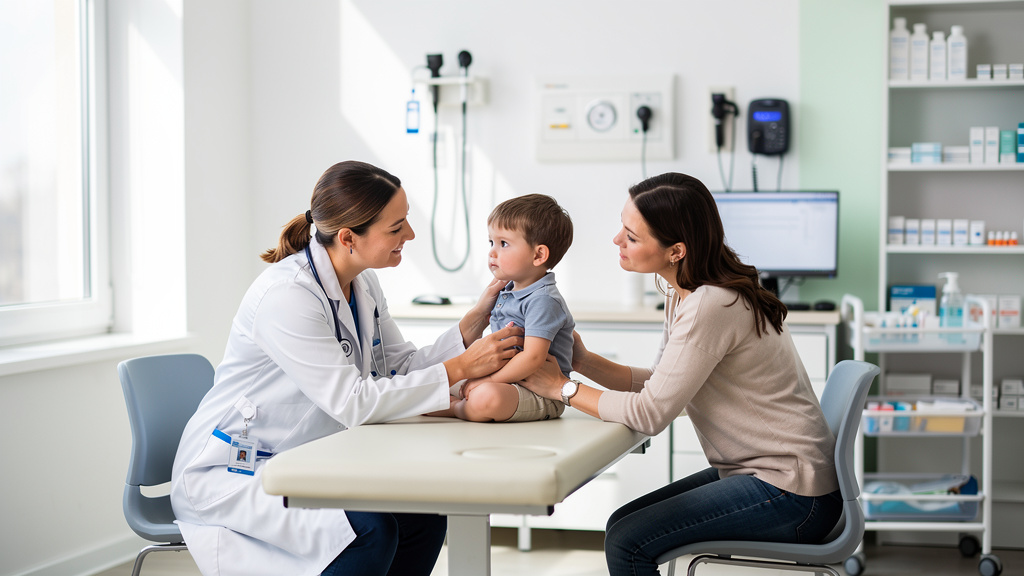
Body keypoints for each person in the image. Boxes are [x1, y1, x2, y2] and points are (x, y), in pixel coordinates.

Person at [170, 160, 524, 576]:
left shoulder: (363, 283)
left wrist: (471, 326)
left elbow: (398, 367)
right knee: (369, 531)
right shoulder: (287, 296)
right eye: (396, 227)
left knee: (424, 517)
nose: (410, 234)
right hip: (235, 471)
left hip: (306, 459)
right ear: (348, 238)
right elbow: (352, 402)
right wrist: (460, 367)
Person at [520, 172, 844, 576]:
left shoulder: (711, 304)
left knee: (627, 542)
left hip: (794, 493)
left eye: (631, 237)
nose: (617, 240)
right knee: (621, 524)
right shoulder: (687, 293)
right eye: (622, 228)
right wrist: (584, 361)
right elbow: (661, 381)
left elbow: (650, 414)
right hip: (775, 476)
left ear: (676, 251)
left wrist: (563, 388)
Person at [427, 193, 574, 422]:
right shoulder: (508, 290)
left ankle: (457, 408)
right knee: (433, 380)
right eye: (491, 242)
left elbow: (533, 358)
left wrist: (488, 381)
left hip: (541, 391)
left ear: (538, 255)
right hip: (506, 379)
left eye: (503, 243)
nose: (492, 252)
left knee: (487, 397)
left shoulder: (543, 300)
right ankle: (464, 400)